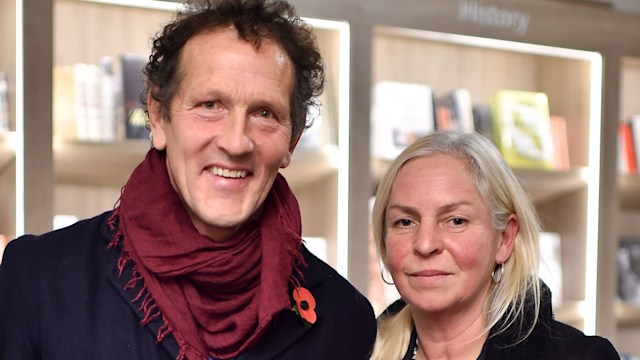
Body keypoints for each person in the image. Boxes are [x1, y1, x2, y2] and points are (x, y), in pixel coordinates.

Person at [0, 0, 376, 359]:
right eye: (210, 105)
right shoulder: (38, 278)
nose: (235, 141)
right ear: (159, 119)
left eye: (264, 113)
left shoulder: (343, 318)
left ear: (291, 142)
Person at [369, 131, 619, 360]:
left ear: (504, 238)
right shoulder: (358, 350)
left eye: (456, 221)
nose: (425, 244)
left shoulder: (584, 356)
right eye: (404, 222)